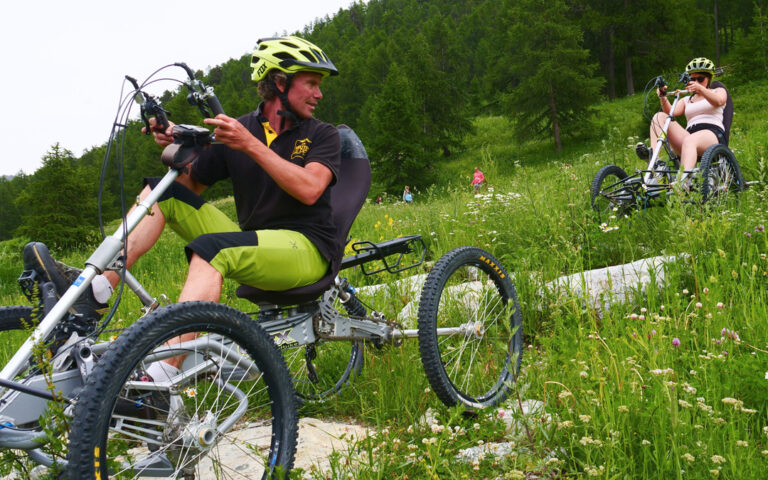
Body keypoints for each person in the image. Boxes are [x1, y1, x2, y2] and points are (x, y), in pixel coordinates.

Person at [23, 35, 341, 377]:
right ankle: (96, 293)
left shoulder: (321, 134)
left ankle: (162, 376)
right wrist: (177, 143)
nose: (318, 94)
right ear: (280, 82)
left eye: (318, 85)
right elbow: (191, 184)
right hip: (258, 242)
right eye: (310, 83)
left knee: (213, 249)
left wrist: (249, 146)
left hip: (307, 249)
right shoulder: (242, 130)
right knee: (165, 194)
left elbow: (310, 189)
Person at [635, 57, 727, 184]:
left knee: (691, 140)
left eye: (700, 79)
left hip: (712, 134)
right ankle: (655, 161)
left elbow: (719, 101)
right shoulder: (687, 100)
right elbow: (670, 112)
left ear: (709, 78)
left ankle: (683, 184)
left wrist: (700, 89)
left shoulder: (718, 91)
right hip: (689, 136)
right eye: (692, 79)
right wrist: (663, 96)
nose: (696, 82)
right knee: (658, 117)